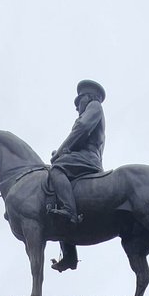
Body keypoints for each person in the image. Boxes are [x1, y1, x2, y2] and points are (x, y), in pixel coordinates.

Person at [49, 78, 106, 227]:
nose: (76, 107)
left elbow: (82, 128)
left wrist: (59, 153)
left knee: (56, 169)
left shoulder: (94, 106)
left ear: (88, 97)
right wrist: (64, 151)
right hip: (84, 156)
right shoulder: (94, 110)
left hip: (88, 158)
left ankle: (69, 211)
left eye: (78, 101)